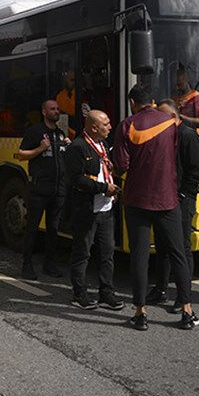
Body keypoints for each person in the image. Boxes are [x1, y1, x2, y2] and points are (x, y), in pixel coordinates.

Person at [113, 84, 198, 331]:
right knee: (178, 253)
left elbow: (121, 165)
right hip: (168, 198)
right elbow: (178, 157)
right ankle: (186, 310)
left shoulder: (126, 125)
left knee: (139, 256)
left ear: (132, 102)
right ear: (152, 100)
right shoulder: (171, 122)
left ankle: (141, 313)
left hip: (137, 199)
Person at [146, 100, 199, 309]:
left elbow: (198, 172)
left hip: (181, 200)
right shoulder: (164, 134)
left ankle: (183, 296)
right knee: (162, 246)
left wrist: (181, 194)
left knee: (181, 248)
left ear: (173, 117)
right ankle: (160, 289)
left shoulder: (188, 136)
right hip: (164, 199)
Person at [65, 110, 123, 310]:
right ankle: (79, 293)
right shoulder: (78, 147)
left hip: (106, 210)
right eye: (105, 124)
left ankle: (106, 292)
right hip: (86, 210)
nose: (109, 127)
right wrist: (103, 188)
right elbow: (77, 179)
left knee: (107, 253)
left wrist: (111, 188)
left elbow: (105, 170)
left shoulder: (103, 145)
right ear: (93, 127)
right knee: (82, 253)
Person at [16, 99, 70, 280]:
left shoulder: (61, 134)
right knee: (32, 228)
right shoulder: (35, 132)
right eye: (52, 109)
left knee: (53, 229)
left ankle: (49, 264)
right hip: (39, 189)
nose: (56, 111)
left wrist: (67, 147)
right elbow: (21, 155)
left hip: (58, 190)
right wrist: (40, 148)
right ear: (44, 112)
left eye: (57, 109)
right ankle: (27, 265)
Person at [173, 66, 199, 133]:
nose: (178, 87)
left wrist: (181, 117)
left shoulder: (198, 98)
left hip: (192, 136)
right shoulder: (174, 98)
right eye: (177, 84)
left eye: (180, 84)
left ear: (187, 80)